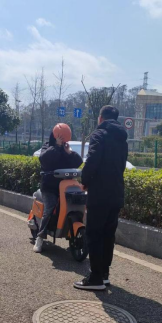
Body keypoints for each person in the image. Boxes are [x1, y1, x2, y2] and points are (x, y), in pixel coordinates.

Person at [74, 105, 128, 291]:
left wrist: (85, 181)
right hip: (116, 192)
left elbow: (92, 160)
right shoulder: (122, 138)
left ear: (101, 118)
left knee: (94, 234)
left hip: (100, 193)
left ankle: (95, 278)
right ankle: (104, 274)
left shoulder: (99, 134)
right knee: (107, 235)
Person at [33, 123, 83, 253]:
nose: (63, 140)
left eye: (64, 138)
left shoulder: (66, 149)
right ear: (55, 136)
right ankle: (40, 238)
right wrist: (56, 146)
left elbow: (78, 162)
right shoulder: (47, 146)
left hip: (65, 187)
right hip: (50, 187)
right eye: (60, 137)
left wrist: (69, 153)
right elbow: (43, 159)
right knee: (50, 208)